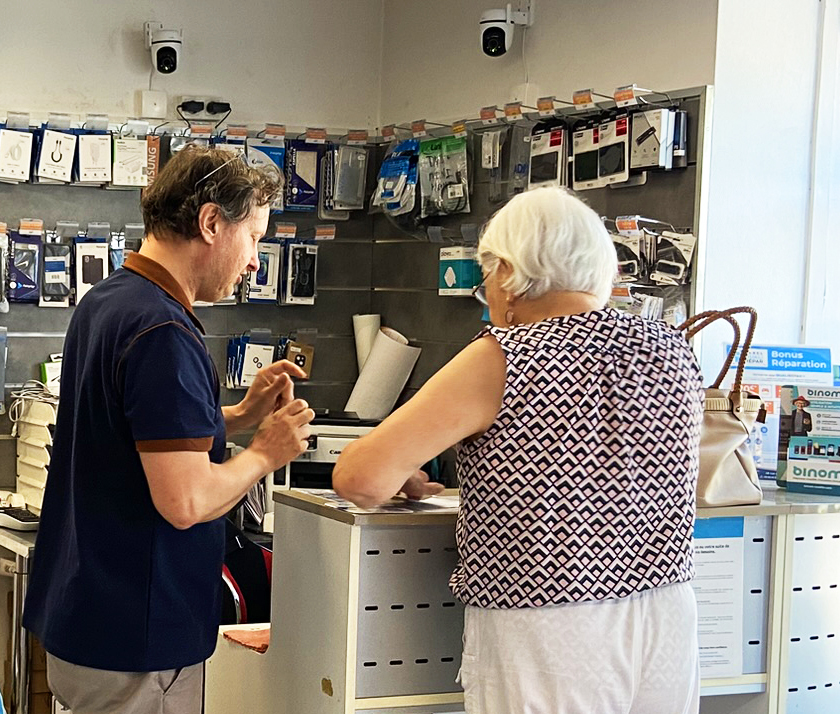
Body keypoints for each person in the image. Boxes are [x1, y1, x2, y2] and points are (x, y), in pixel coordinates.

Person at [333, 187, 704, 714]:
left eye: (486, 277)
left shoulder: (506, 354)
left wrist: (398, 469)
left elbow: (359, 478)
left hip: (547, 619)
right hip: (666, 610)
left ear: (507, 272)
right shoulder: (670, 346)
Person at [23, 146, 315, 714]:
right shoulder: (163, 331)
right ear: (211, 223)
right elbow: (185, 500)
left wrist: (236, 416)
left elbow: (133, 437)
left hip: (88, 620)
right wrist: (263, 452)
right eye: (253, 237)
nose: (256, 260)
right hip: (137, 642)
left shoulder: (109, 300)